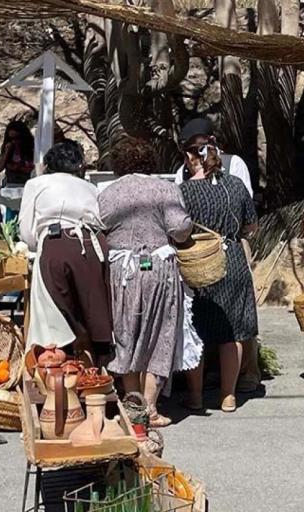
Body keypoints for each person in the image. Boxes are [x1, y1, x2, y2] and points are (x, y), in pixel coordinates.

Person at [99, 137, 192, 427]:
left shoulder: (107, 193)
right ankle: (151, 407)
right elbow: (178, 229)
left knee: (125, 331)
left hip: (122, 271)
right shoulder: (166, 189)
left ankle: (132, 402)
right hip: (159, 269)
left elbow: (99, 225)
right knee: (160, 333)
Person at [180, 135, 258, 412]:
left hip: (198, 261)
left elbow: (178, 230)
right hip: (233, 258)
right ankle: (229, 395)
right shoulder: (236, 185)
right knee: (232, 332)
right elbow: (251, 226)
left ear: (192, 157)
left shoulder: (184, 191)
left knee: (197, 330)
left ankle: (196, 396)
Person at [19, 140, 113, 364]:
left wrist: (36, 245)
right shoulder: (90, 187)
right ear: (79, 165)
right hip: (93, 245)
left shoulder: (37, 183)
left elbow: (26, 233)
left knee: (55, 312)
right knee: (92, 310)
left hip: (57, 243)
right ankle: (99, 367)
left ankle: (59, 367)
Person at [0, 118, 35, 187]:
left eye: (17, 138)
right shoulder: (9, 148)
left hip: (28, 183)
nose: (14, 141)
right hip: (11, 184)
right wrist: (6, 152)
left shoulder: (32, 148)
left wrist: (21, 168)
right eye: (11, 139)